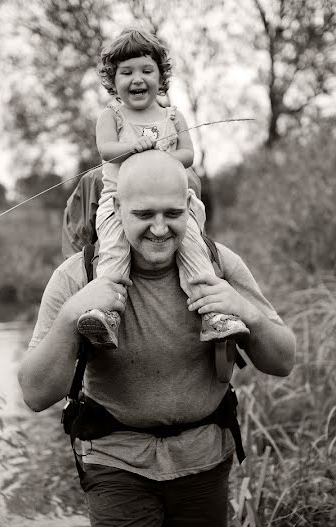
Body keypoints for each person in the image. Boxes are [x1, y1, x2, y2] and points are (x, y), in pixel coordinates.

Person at [18, 151, 295, 527]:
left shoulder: (219, 265)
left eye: (173, 212)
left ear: (191, 206)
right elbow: (35, 393)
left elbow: (283, 360)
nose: (160, 227)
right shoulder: (77, 276)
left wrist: (246, 312)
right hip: (116, 457)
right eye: (143, 214)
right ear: (115, 210)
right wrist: (73, 314)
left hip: (203, 455)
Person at [76, 27, 249, 350]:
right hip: (120, 203)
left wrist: (165, 155)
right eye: (126, 72)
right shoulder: (111, 115)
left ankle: (212, 315)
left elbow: (188, 154)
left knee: (194, 248)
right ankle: (106, 313)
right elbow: (106, 151)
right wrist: (135, 147)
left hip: (172, 202)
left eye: (146, 70)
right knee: (114, 251)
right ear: (113, 81)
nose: (137, 79)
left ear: (160, 76)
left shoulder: (173, 115)